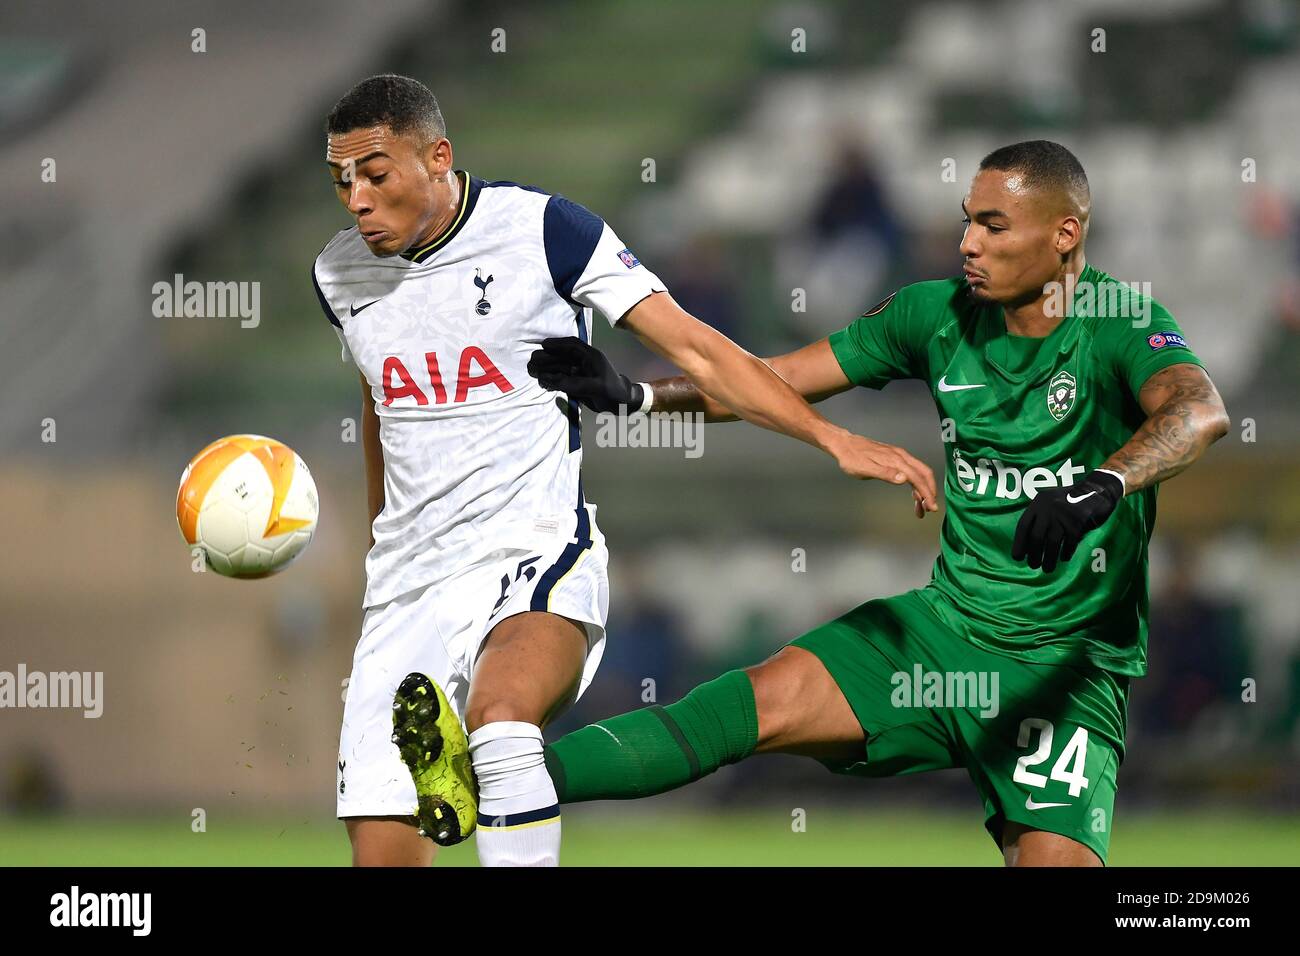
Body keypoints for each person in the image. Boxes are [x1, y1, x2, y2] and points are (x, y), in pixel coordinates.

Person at [519, 140, 1231, 866]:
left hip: (1065, 672)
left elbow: (1198, 411)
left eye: (993, 225)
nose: (967, 244)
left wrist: (1102, 484)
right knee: (752, 703)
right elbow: (774, 379)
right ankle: (503, 781)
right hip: (940, 635)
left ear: (1064, 234)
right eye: (966, 222)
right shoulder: (933, 314)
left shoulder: (1119, 320)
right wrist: (639, 397)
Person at [311, 74, 937, 867]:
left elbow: (703, 350)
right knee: (384, 859)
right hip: (408, 582)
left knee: (503, 726)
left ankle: (489, 770)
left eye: (375, 174)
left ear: (437, 158)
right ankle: (470, 783)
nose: (357, 199)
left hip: (530, 551)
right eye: (341, 182)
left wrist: (829, 437)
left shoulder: (547, 231)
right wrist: (378, 546)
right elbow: (380, 404)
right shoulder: (340, 274)